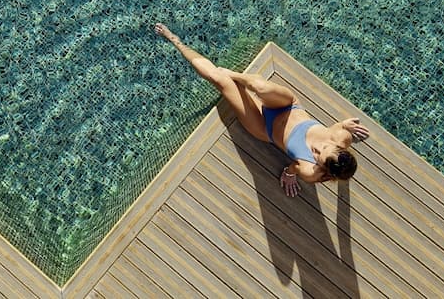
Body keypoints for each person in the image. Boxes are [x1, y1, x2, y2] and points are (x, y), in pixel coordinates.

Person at [154, 23, 370, 197]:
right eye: (323, 148)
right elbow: (341, 127)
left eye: (318, 158)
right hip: (287, 105)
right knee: (260, 86)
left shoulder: (310, 172)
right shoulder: (341, 137)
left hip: (264, 128)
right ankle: (233, 74)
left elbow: (293, 168)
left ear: (324, 170)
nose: (316, 151)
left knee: (218, 80)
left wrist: (289, 174)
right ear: (339, 146)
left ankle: (175, 41)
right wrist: (345, 124)